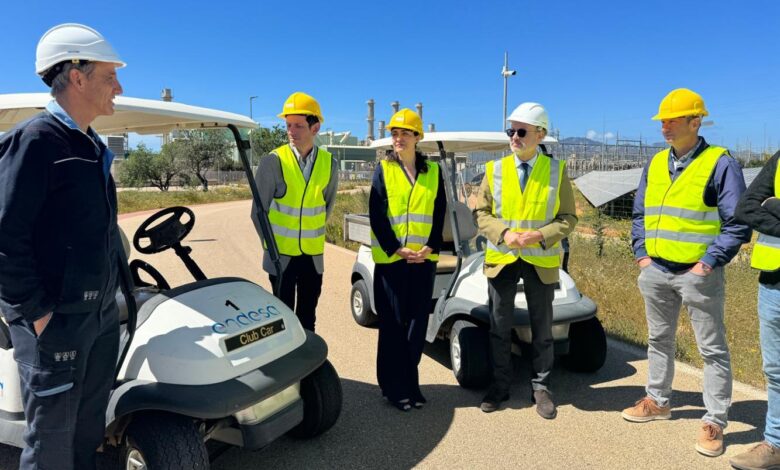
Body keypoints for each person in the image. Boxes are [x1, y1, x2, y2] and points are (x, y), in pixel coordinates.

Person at [0, 23, 125, 469]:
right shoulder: (36, 141)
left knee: (87, 432)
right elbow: (5, 238)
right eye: (110, 76)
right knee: (50, 444)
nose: (119, 87)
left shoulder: (90, 146)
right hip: (55, 324)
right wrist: (37, 313)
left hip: (98, 318)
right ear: (77, 76)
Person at [622, 88, 751, 457]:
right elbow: (639, 214)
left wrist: (707, 263)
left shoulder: (719, 163)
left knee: (712, 349)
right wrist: (642, 255)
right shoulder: (656, 163)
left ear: (696, 122)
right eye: (663, 120)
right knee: (658, 341)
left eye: (673, 119)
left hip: (698, 274)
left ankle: (714, 420)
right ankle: (658, 401)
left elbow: (737, 222)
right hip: (656, 270)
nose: (665, 126)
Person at [474, 103, 577, 418]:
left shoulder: (556, 172)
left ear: (540, 134)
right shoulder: (494, 170)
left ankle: (541, 388)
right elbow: (481, 213)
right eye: (511, 131)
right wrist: (505, 234)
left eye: (521, 131)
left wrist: (539, 235)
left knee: (542, 327)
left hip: (540, 260)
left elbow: (568, 218)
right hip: (503, 258)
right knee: (499, 326)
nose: (514, 137)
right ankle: (500, 386)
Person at [369, 108, 445, 411]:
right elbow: (376, 215)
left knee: (416, 327)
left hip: (424, 260)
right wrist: (396, 249)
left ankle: (411, 385)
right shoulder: (383, 170)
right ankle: (393, 387)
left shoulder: (434, 172)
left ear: (417, 137)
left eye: (404, 133)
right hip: (393, 261)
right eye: (394, 133)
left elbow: (438, 213)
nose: (398, 138)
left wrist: (430, 246)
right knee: (392, 326)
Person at [251, 92, 338, 332]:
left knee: (308, 318)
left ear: (315, 127)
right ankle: (286, 366)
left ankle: (308, 366)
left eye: (298, 125)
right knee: (282, 321)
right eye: (288, 125)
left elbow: (326, 207)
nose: (291, 131)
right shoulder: (273, 161)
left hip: (312, 257)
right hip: (281, 258)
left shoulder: (329, 163)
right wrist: (271, 248)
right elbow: (258, 213)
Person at [730, 151, 780, 469]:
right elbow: (746, 208)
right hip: (773, 284)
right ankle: (775, 444)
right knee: (775, 371)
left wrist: (774, 206)